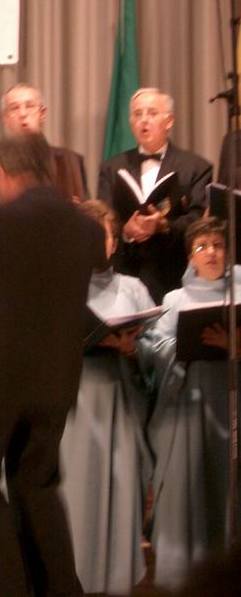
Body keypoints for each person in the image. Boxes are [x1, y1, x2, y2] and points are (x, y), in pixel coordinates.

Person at [0, 132, 105, 597]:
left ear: (5, 173)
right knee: (37, 485)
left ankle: (12, 588)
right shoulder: (87, 230)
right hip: (55, 384)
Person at [59, 200, 153, 594]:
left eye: (105, 237)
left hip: (119, 404)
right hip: (70, 408)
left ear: (115, 243)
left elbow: (157, 343)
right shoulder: (57, 288)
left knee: (116, 497)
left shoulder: (132, 289)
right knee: (71, 502)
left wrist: (133, 349)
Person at [144, 217, 235, 590]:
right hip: (189, 400)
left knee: (230, 485)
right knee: (189, 485)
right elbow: (155, 346)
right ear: (190, 257)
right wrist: (184, 345)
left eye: (217, 244)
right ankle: (186, 575)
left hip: (231, 400)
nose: (211, 252)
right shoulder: (175, 299)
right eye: (202, 246)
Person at [97, 88, 212, 303]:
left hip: (173, 273)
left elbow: (199, 220)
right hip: (124, 277)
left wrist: (164, 226)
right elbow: (102, 217)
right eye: (137, 114)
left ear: (169, 121)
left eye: (151, 113)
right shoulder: (111, 167)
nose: (143, 120)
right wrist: (124, 231)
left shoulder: (196, 167)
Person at [1, 83, 87, 200]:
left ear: (42, 114)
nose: (23, 114)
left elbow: (87, 211)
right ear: (5, 118)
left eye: (30, 106)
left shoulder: (70, 161)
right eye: (15, 108)